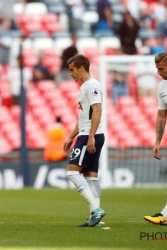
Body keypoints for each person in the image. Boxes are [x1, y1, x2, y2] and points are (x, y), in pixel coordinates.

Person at [63, 55, 105, 227]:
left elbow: (97, 111)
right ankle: (95, 218)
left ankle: (96, 209)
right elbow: (83, 117)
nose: (70, 74)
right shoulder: (84, 87)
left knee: (72, 172)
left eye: (72, 70)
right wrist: (71, 136)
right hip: (87, 134)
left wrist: (91, 136)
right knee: (91, 177)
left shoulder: (92, 85)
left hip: (90, 135)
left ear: (81, 68)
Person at [144, 51, 167, 226]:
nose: (158, 72)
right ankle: (165, 215)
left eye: (161, 68)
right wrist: (157, 140)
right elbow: (161, 116)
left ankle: (165, 214)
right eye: (156, 68)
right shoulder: (162, 88)